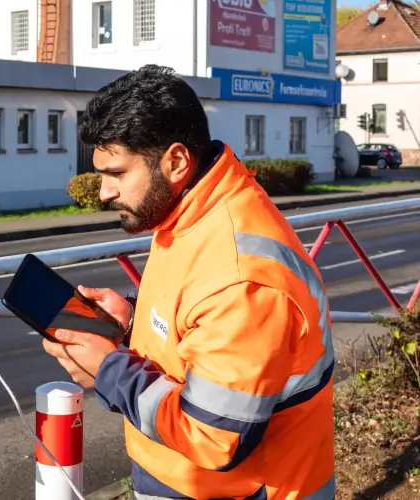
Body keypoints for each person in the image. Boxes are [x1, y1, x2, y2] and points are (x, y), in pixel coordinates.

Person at [41, 64, 336, 500]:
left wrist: (108, 369)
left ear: (176, 161)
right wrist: (132, 319)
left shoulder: (242, 280)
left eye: (117, 173)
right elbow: (198, 325)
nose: (104, 192)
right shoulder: (190, 210)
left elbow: (213, 436)